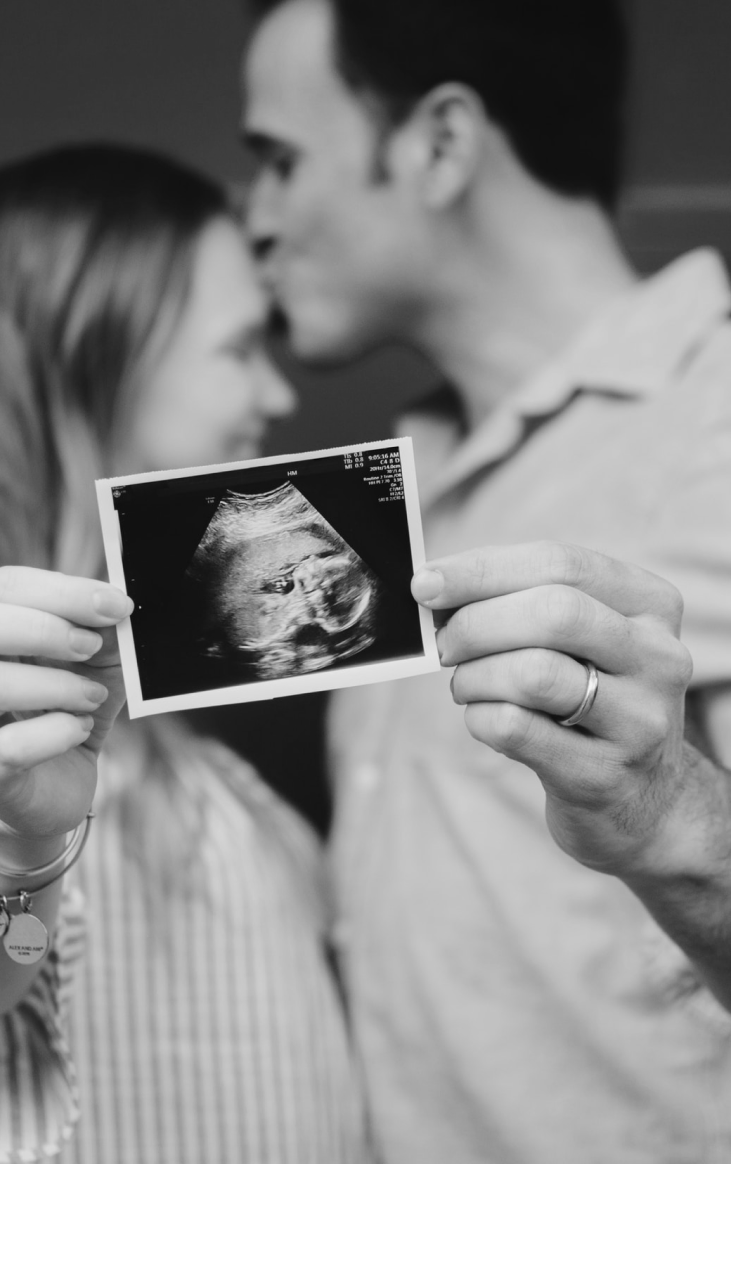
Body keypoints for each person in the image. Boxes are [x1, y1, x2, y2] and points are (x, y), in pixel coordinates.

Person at [242, 0, 731, 1161]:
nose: (251, 219)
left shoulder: (716, 426)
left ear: (441, 144)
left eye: (278, 160)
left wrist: (674, 815)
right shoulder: (385, 495)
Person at [0, 143, 366, 1164]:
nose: (275, 396)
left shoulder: (147, 716)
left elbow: (50, 949)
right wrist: (12, 847)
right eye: (239, 347)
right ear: (89, 359)